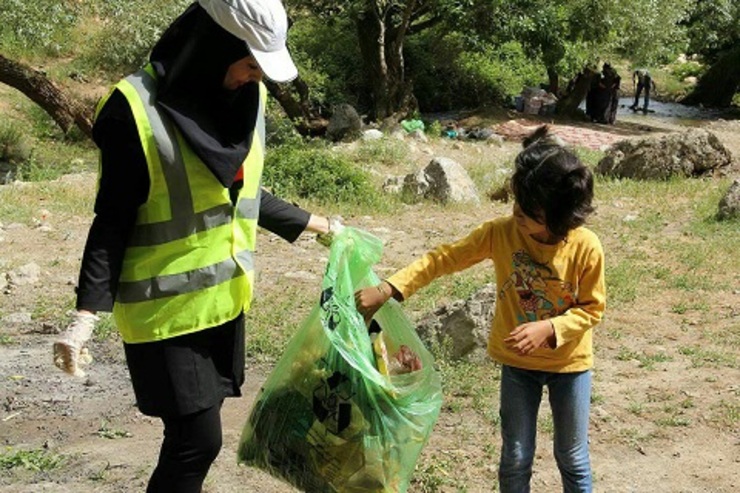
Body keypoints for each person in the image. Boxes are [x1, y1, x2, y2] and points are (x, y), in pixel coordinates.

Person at [51, 1, 341, 491]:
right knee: (197, 443)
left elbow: (239, 194)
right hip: (162, 315)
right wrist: (85, 317)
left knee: (194, 440)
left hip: (221, 302)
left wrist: (317, 224)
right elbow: (113, 219)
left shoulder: (244, 100)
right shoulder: (133, 109)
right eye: (250, 64)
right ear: (213, 45)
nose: (256, 78)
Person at [355, 125, 605, 493]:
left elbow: (592, 309)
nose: (516, 213)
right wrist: (388, 288)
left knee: (572, 456)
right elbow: (444, 258)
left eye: (528, 210)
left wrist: (549, 329)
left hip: (571, 368)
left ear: (557, 216)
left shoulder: (586, 247)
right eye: (515, 203)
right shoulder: (500, 233)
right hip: (518, 368)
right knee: (516, 457)